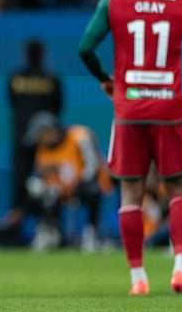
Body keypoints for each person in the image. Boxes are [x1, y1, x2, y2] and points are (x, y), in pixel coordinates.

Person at [78, 0, 182, 295]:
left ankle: (138, 278)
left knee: (130, 193)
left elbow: (85, 48)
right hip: (169, 108)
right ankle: (181, 268)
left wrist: (106, 80)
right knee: (178, 189)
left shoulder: (114, 1)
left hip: (130, 106)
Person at [23, 112, 108, 251]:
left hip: (82, 184)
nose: (39, 141)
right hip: (57, 190)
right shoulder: (43, 149)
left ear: (50, 131)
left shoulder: (79, 136)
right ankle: (49, 233)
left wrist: (72, 185)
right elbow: (40, 173)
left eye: (40, 136)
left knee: (92, 190)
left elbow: (92, 167)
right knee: (35, 191)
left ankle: (92, 234)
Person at [6, 40, 63, 227]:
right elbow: (57, 108)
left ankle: (18, 225)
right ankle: (49, 223)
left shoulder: (15, 78)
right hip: (46, 145)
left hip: (22, 140)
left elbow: (12, 104)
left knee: (20, 185)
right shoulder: (51, 79)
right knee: (49, 183)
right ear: (43, 54)